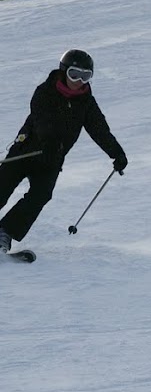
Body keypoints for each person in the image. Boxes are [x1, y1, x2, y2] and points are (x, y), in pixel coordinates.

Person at [0, 50, 128, 255]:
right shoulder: (45, 92)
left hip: (51, 160)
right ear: (64, 71)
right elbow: (42, 121)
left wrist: (117, 153)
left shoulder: (86, 101)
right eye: (74, 74)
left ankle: (4, 232)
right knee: (2, 188)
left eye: (85, 76)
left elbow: (99, 129)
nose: (79, 81)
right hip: (25, 152)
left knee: (41, 195)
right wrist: (50, 143)